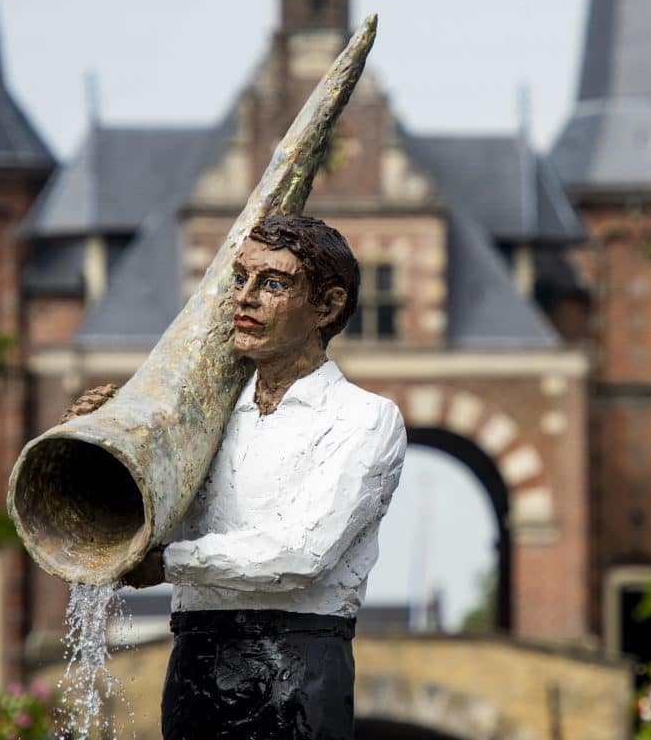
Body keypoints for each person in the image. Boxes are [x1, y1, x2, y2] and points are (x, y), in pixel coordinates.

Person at [65, 214, 406, 740]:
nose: (244, 298)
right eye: (240, 278)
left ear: (328, 306)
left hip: (298, 670)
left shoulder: (365, 418)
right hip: (194, 661)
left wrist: (167, 564)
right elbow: (145, 516)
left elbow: (302, 553)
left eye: (273, 284)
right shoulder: (198, 419)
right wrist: (100, 446)